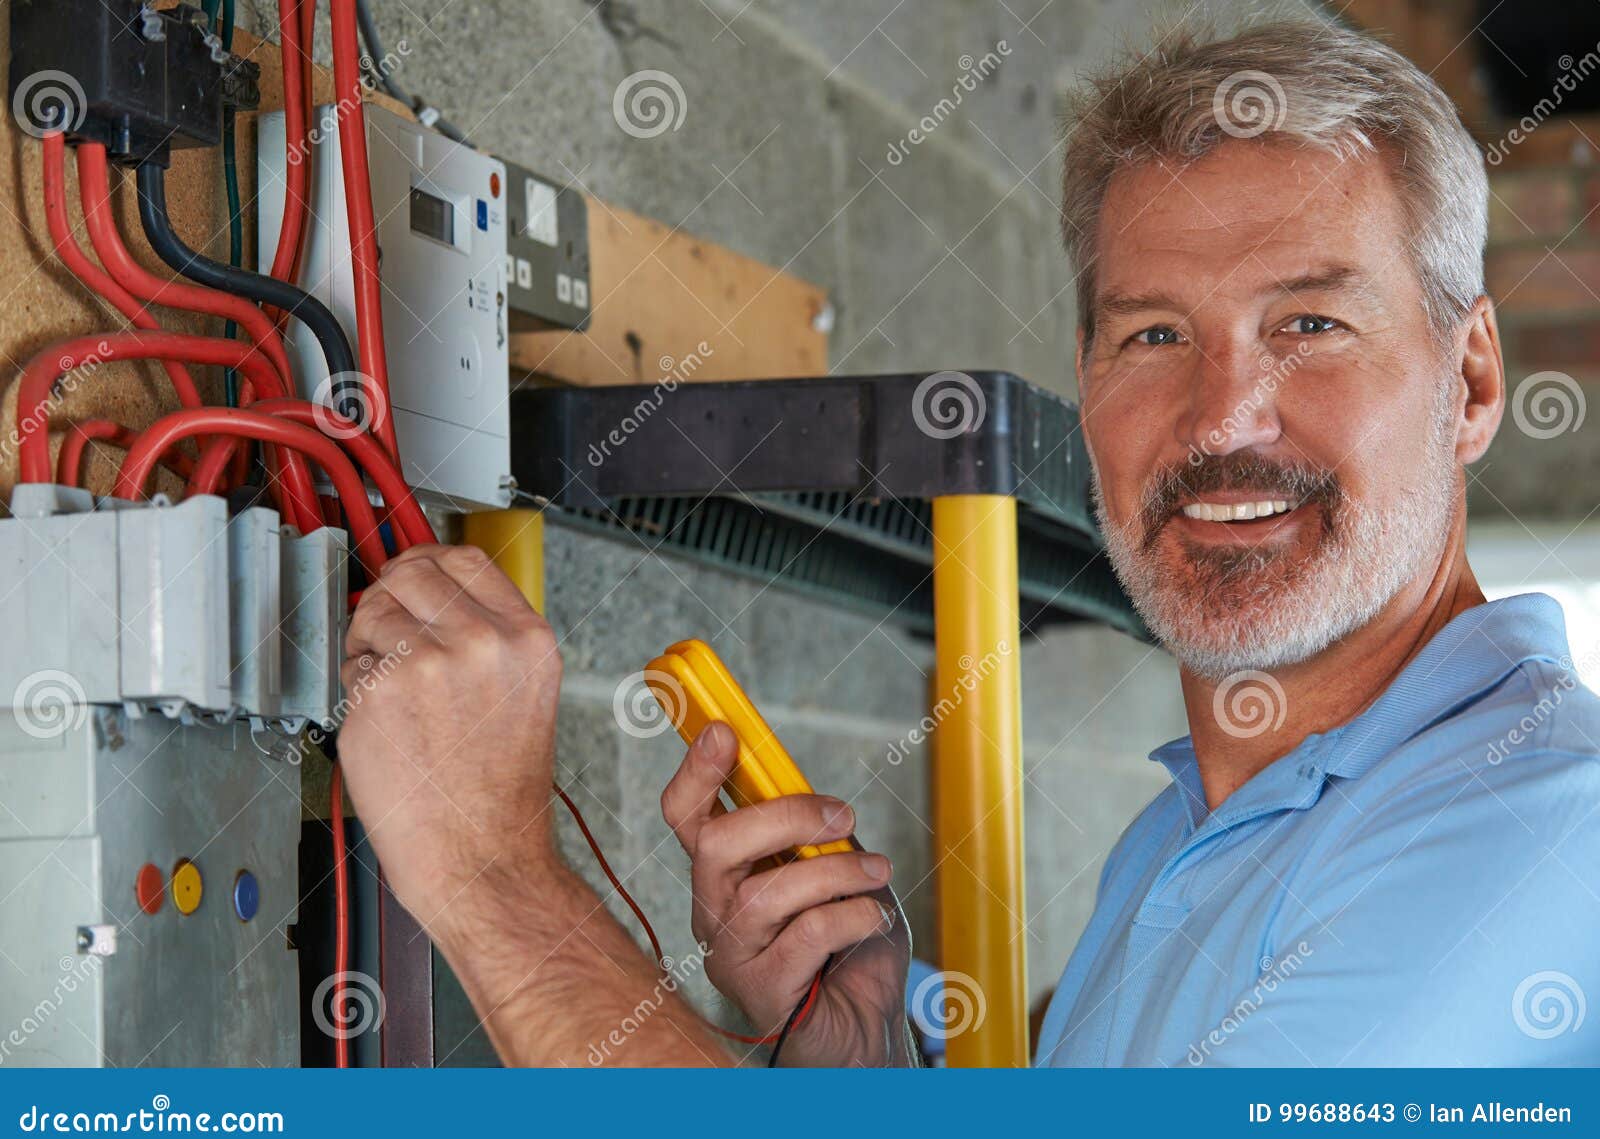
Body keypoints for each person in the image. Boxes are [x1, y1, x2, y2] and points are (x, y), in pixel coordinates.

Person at [335, 20, 1600, 1066]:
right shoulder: (1180, 843)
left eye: (1311, 323)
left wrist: (494, 878)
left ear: (1473, 380)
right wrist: (871, 1060)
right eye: (1153, 335)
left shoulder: (1539, 835)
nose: (1221, 416)